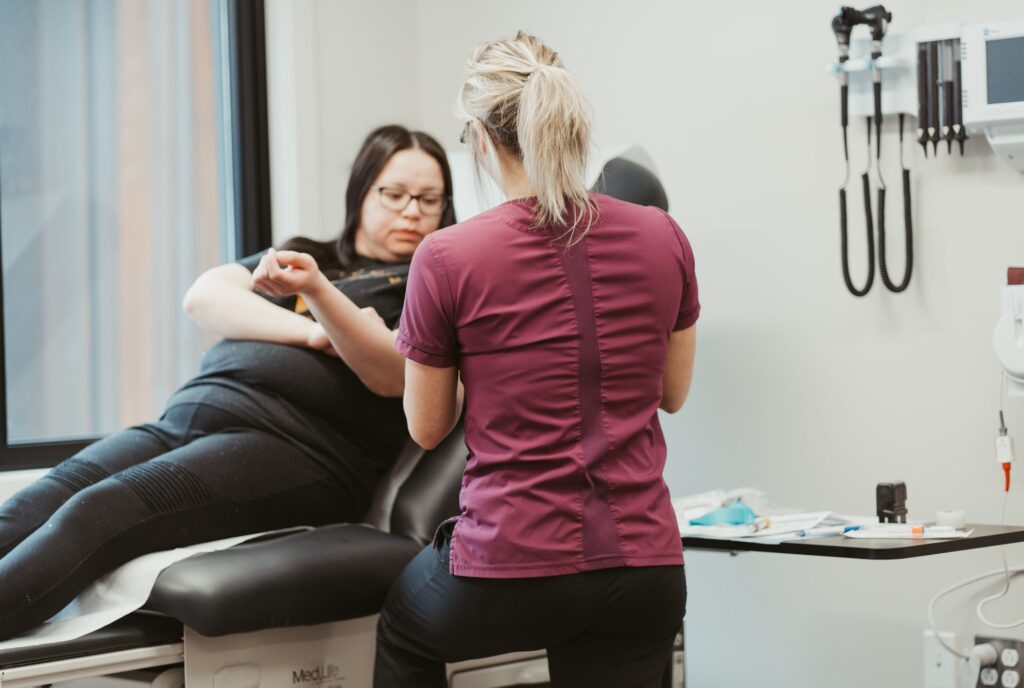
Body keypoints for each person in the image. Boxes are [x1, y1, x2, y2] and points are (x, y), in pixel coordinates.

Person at [0, 124, 455, 640]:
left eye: (429, 199)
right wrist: (313, 334)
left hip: (297, 448)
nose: (411, 211)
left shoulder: (431, 287)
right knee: (37, 501)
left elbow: (390, 374)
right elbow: (207, 296)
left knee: (96, 513)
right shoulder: (309, 255)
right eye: (394, 194)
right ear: (361, 191)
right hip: (189, 417)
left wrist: (319, 296)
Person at [375, 33, 699, 688]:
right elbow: (673, 393)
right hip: (646, 569)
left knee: (403, 629)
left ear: (481, 138)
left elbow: (427, 427)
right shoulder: (663, 235)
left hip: (511, 568)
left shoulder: (447, 256)